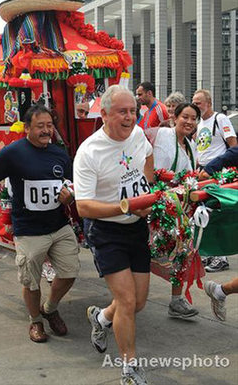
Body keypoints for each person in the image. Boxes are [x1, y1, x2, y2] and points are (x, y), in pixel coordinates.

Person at [0, 104, 80, 343]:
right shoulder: (13, 152)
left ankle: (49, 308)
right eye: (40, 126)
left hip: (59, 226)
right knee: (31, 280)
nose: (46, 131)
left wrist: (70, 195)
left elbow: (72, 184)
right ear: (27, 128)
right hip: (29, 230)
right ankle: (35, 321)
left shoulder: (60, 154)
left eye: (49, 126)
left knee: (71, 271)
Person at [74, 85, 154, 385]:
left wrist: (145, 189)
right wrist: (126, 205)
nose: (130, 117)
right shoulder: (89, 152)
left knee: (139, 302)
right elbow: (83, 206)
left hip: (136, 226)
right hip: (106, 230)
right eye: (123, 111)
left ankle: (102, 318)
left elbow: (147, 157)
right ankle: (129, 369)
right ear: (104, 114)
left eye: (133, 111)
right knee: (127, 299)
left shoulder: (137, 135)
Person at [153, 103, 200, 319]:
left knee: (183, 251)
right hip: (158, 205)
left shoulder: (190, 146)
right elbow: (154, 170)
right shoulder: (163, 135)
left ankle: (176, 300)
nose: (189, 122)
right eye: (185, 117)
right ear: (175, 117)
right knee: (147, 252)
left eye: (193, 118)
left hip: (181, 209)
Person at [192, 89, 237, 273]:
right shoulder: (199, 123)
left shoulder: (220, 119)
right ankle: (210, 253)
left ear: (208, 103)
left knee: (215, 213)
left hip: (216, 174)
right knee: (202, 214)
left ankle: (221, 258)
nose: (195, 105)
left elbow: (233, 146)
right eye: (193, 102)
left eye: (199, 103)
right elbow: (200, 150)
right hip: (202, 172)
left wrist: (218, 170)